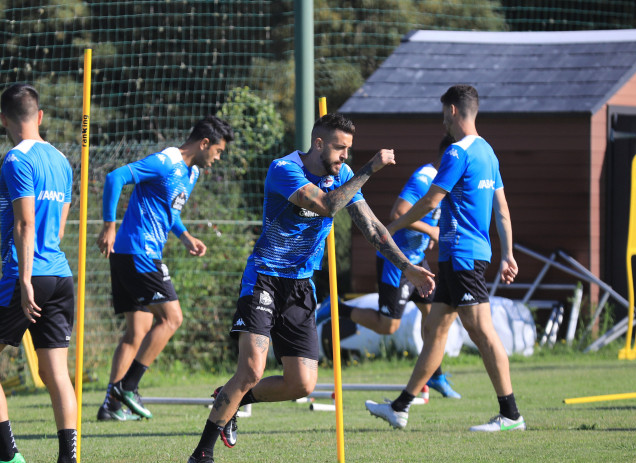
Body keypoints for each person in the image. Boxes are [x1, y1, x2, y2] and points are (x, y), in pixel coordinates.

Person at [187, 113, 436, 463]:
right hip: (265, 278)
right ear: (318, 144)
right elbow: (326, 205)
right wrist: (370, 169)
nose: (345, 157)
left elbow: (373, 228)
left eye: (350, 150)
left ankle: (235, 397)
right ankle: (201, 454)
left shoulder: (344, 175)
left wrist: (408, 267)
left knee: (302, 384)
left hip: (301, 287)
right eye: (340, 148)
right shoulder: (283, 169)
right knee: (251, 370)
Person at [365, 84, 524, 432]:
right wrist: (508, 253)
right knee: (435, 333)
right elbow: (503, 211)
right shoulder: (489, 153)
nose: (443, 123)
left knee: (482, 332)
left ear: (453, 110)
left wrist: (392, 227)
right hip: (460, 256)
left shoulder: (457, 153)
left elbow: (430, 201)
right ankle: (401, 407)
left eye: (443, 115)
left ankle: (510, 414)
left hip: (464, 256)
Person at [0, 83, 76, 463]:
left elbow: (25, 224)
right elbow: (57, 231)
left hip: (24, 277)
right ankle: (69, 457)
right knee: (55, 373)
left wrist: (25, 280)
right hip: (60, 276)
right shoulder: (62, 160)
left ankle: (8, 456)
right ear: (40, 116)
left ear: (3, 120)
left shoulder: (16, 160)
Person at [96, 116, 234, 421]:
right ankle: (127, 387)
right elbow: (115, 177)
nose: (218, 157)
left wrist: (185, 237)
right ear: (204, 143)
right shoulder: (166, 161)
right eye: (219, 151)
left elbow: (168, 211)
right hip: (138, 252)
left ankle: (111, 406)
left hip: (134, 254)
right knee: (173, 318)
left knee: (138, 331)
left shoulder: (192, 173)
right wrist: (109, 226)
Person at [338, 134, 461, 399]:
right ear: (446, 156)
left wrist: (426, 236)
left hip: (417, 259)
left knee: (434, 318)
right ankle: (338, 310)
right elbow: (398, 213)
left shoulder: (443, 180)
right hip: (396, 261)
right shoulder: (424, 178)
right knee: (388, 327)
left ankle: (436, 376)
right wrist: (432, 231)